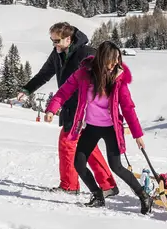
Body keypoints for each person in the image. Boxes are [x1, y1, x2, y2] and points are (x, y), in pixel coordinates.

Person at [44, 41, 152, 213]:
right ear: (101, 59)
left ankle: (143, 196)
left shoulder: (118, 79)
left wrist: (137, 135)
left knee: (116, 166)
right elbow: (63, 92)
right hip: (91, 127)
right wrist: (52, 109)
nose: (114, 64)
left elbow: (128, 108)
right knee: (79, 163)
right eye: (111, 61)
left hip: (111, 129)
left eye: (117, 60)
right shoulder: (84, 74)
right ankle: (97, 195)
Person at [17, 22, 117, 196]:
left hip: (84, 108)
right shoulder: (57, 54)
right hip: (70, 106)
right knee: (88, 147)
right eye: (52, 40)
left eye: (57, 40)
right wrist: (27, 89)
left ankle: (69, 185)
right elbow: (44, 74)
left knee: (67, 143)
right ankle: (108, 184)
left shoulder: (86, 53)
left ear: (68, 39)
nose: (54, 44)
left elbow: (106, 75)